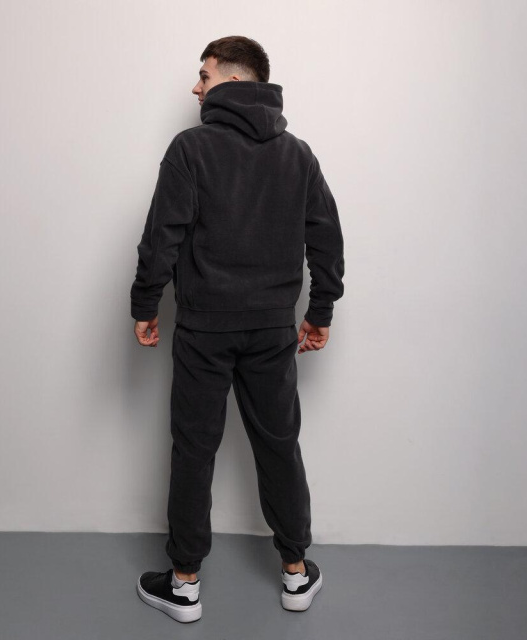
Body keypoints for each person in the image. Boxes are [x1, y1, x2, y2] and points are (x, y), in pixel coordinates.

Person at [131, 35, 345, 623]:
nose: (194, 87)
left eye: (203, 76)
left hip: (204, 329)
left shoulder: (191, 149)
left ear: (230, 80)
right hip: (273, 330)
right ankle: (296, 573)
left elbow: (162, 237)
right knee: (279, 445)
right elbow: (327, 238)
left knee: (194, 449)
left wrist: (145, 302)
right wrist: (320, 310)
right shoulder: (297, 154)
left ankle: (184, 585)